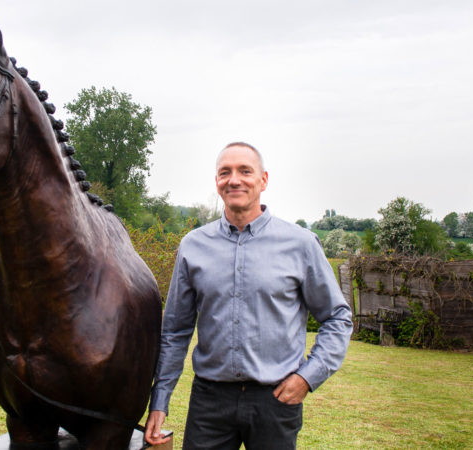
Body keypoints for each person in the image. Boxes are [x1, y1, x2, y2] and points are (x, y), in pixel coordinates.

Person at [144, 142, 353, 449]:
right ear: (217, 182)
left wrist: (308, 377)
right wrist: (159, 401)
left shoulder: (301, 244)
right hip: (209, 402)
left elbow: (337, 317)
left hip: (276, 400)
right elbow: (175, 330)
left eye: (245, 171)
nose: (234, 179)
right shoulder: (193, 246)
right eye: (224, 172)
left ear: (263, 180)